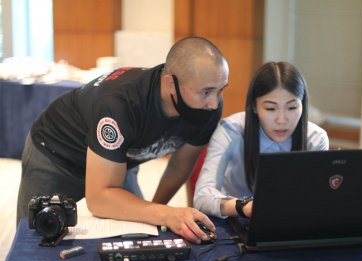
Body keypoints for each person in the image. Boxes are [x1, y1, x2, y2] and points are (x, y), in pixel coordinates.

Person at [17, 36, 229, 244]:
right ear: (171, 85)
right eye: (206, 92)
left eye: (221, 90)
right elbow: (99, 199)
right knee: (35, 239)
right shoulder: (121, 103)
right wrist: (164, 214)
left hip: (117, 160)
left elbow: (179, 166)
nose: (214, 103)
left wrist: (157, 213)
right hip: (57, 153)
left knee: (138, 236)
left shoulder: (208, 107)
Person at [194, 61, 329, 218]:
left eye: (292, 107)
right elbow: (202, 197)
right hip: (235, 220)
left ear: (302, 105)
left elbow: (318, 198)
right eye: (271, 108)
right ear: (253, 106)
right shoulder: (231, 131)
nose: (281, 120)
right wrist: (245, 207)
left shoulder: (315, 138)